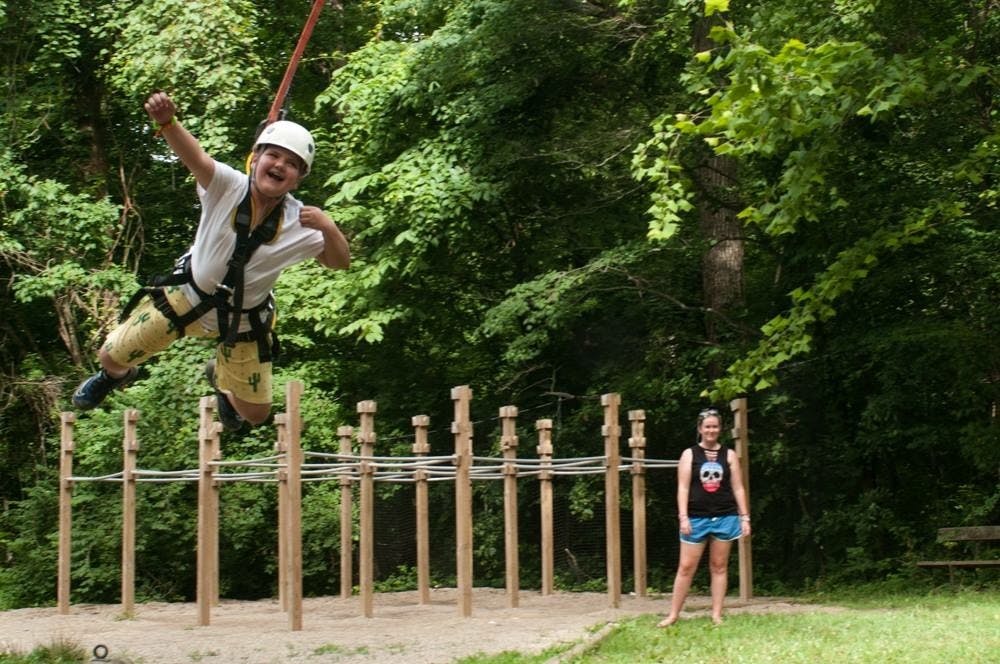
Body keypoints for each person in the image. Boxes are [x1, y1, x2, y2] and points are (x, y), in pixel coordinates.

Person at [72, 91, 350, 430]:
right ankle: (113, 377)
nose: (280, 166)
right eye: (273, 155)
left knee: (255, 415)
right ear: (255, 158)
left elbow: (338, 262)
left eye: (292, 164)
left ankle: (220, 380)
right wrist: (167, 122)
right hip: (186, 296)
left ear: (299, 177)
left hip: (244, 320)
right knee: (110, 356)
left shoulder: (300, 221)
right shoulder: (227, 186)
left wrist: (329, 227)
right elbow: (197, 158)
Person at [658, 408, 751, 627]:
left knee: (719, 566)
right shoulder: (689, 454)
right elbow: (682, 488)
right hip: (695, 518)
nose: (711, 430)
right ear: (700, 428)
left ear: (720, 429)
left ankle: (716, 615)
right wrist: (683, 517)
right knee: (686, 567)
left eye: (715, 426)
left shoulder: (728, 455)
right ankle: (673, 615)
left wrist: (744, 517)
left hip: (725, 516)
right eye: (707, 426)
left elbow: (738, 488)